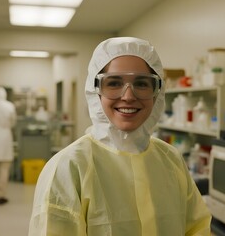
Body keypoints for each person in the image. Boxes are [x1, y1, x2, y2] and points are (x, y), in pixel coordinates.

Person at [28, 37, 212, 235]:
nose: (128, 96)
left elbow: (197, 228)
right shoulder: (69, 167)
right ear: (95, 90)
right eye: (114, 83)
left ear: (157, 92)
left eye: (141, 83)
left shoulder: (171, 159)